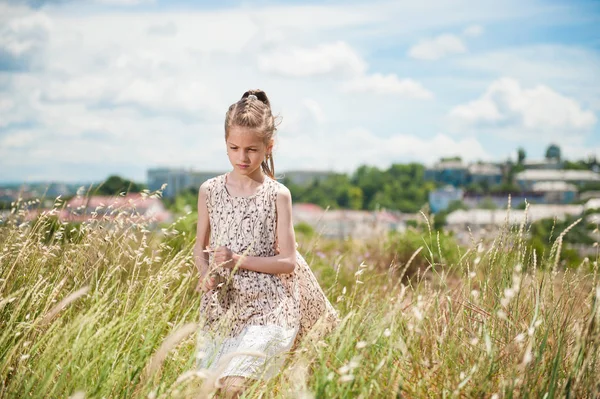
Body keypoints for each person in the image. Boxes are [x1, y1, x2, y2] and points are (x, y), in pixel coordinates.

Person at [193, 89, 339, 398]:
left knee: (235, 386)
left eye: (251, 150)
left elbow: (287, 262)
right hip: (223, 307)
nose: (242, 157)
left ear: (268, 147)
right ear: (225, 144)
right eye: (234, 148)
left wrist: (236, 260)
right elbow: (200, 248)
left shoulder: (277, 195)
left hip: (268, 307)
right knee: (214, 390)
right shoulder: (209, 191)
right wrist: (207, 273)